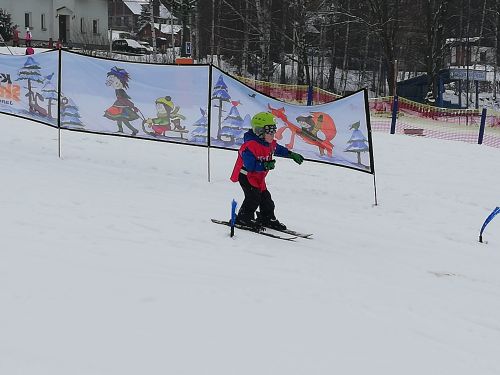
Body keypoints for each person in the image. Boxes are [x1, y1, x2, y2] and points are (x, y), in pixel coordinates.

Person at [230, 112, 304, 230]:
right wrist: (265, 165)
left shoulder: (268, 143)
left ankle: (267, 218)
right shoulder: (249, 146)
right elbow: (250, 166)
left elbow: (278, 149)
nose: (273, 134)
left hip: (258, 177)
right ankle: (243, 218)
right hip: (246, 176)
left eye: (274, 130)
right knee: (253, 198)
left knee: (266, 199)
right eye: (270, 131)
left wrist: (291, 154)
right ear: (259, 131)